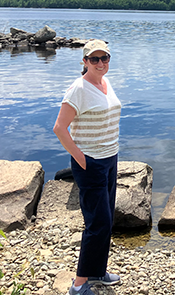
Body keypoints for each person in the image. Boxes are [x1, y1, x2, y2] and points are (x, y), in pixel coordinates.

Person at [53, 39, 122, 295]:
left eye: (105, 58)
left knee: (107, 219)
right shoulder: (77, 90)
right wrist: (81, 159)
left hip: (110, 158)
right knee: (98, 223)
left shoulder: (105, 83)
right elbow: (59, 128)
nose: (101, 63)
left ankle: (97, 271)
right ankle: (79, 283)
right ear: (84, 62)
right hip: (90, 163)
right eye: (95, 59)